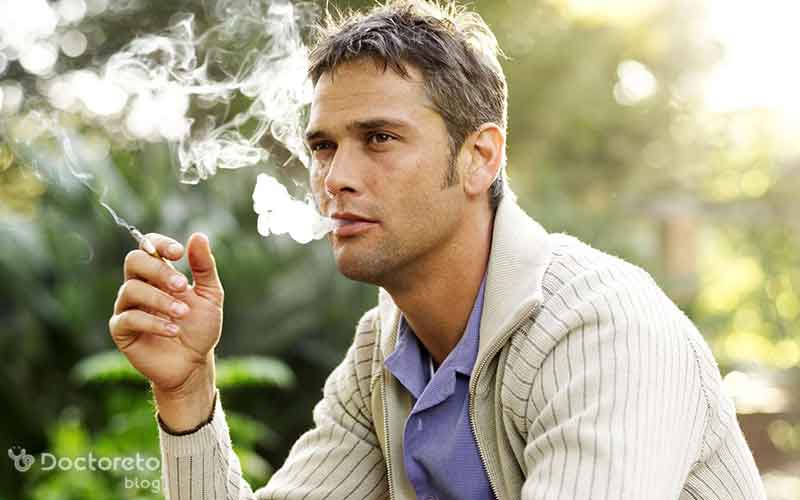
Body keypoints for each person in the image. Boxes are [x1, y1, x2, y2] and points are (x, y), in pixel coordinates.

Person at [108, 1, 767, 498]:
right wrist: (187, 389)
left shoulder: (600, 330)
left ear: (480, 157)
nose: (336, 177)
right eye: (324, 146)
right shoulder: (384, 354)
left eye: (379, 139)